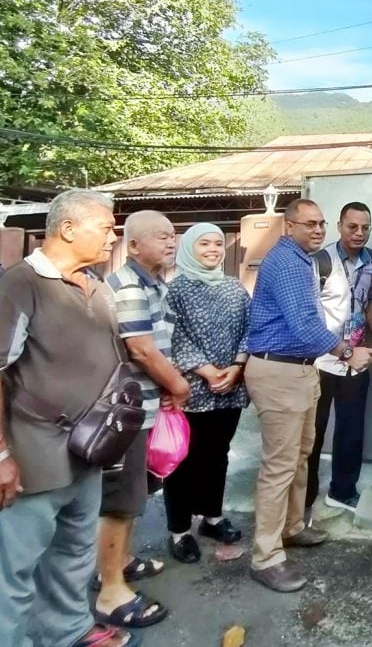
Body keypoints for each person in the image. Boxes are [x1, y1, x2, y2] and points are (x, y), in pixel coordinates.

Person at [0, 190, 137, 647]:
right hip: (33, 457)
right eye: (106, 226)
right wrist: (1, 454)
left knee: (75, 554)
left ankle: (68, 632)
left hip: (89, 450)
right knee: (14, 571)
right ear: (68, 229)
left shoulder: (97, 287)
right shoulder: (21, 284)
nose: (113, 235)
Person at [245, 198, 354, 593]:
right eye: (309, 224)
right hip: (279, 371)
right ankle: (266, 557)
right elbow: (305, 323)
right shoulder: (288, 262)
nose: (318, 230)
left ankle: (291, 528)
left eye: (321, 224)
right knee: (279, 465)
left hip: (302, 369)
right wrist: (344, 350)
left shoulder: (302, 260)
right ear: (288, 227)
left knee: (301, 455)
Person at [100, 210, 189, 629]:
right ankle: (110, 590)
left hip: (147, 405)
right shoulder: (131, 285)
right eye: (161, 237)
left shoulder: (154, 282)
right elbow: (141, 349)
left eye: (173, 236)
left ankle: (122, 561)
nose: (171, 243)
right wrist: (178, 386)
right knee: (121, 501)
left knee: (135, 495)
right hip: (130, 409)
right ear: (133, 245)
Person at [163, 224, 251, 563]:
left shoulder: (235, 288)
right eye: (204, 244)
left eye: (217, 243)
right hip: (191, 389)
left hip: (230, 388)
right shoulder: (176, 290)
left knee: (218, 454)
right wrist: (208, 370)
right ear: (189, 248)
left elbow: (250, 328)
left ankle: (212, 518)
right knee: (183, 461)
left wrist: (237, 367)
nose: (213, 249)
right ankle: (179, 529)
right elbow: (173, 337)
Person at [305, 202, 372, 518]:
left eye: (365, 227)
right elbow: (308, 314)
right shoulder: (319, 262)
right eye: (353, 227)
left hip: (356, 358)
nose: (359, 233)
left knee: (351, 429)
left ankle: (342, 491)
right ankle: (305, 497)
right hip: (321, 359)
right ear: (339, 226)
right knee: (313, 430)